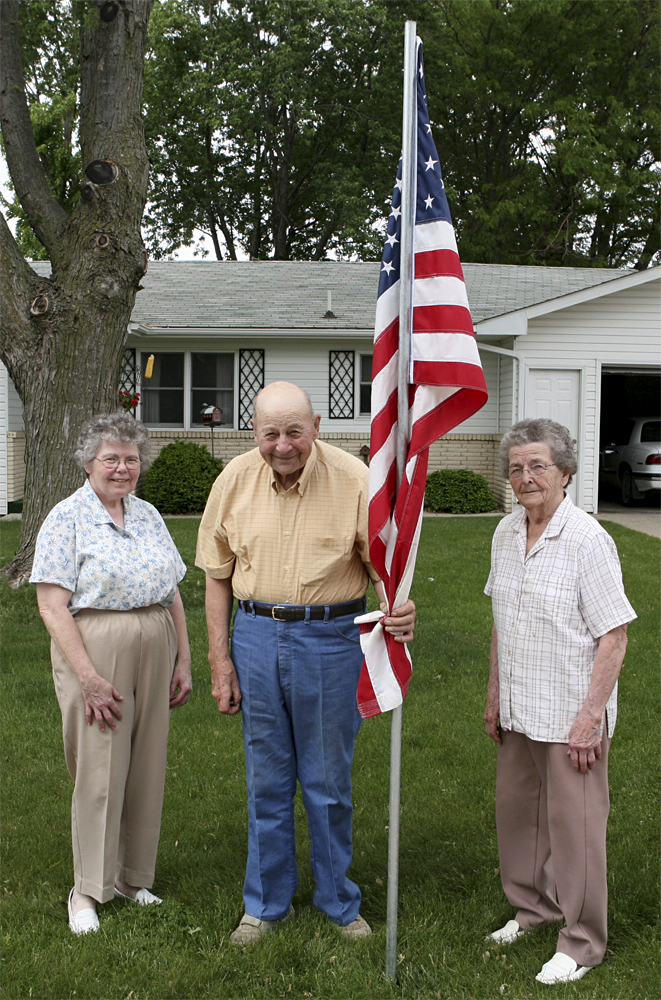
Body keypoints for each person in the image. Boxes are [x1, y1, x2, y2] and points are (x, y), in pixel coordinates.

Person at [195, 381, 415, 945]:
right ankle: (266, 905)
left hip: (331, 639)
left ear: (317, 426)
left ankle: (338, 901)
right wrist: (220, 660)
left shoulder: (356, 481)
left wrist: (400, 607)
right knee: (266, 780)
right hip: (255, 636)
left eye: (295, 431)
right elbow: (216, 575)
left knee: (327, 781)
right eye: (271, 433)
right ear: (254, 432)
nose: (283, 445)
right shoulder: (233, 480)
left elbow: (384, 568)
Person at [483, 418, 636, 986]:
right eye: (516, 468)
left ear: (565, 472)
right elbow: (501, 619)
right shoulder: (505, 532)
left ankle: (583, 940)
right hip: (520, 707)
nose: (525, 477)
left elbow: (614, 635)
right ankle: (533, 910)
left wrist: (590, 718)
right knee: (518, 816)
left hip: (571, 713)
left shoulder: (588, 539)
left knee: (576, 830)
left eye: (538, 466)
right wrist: (494, 694)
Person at [30, 413, 192, 935]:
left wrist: (183, 658)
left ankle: (131, 878)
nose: (122, 468)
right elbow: (52, 606)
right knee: (99, 769)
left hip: (156, 640)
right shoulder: (66, 518)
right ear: (88, 463)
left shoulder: (147, 514)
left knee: (146, 765)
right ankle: (86, 890)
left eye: (131, 459)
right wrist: (88, 676)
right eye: (111, 459)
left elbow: (172, 590)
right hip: (96, 648)